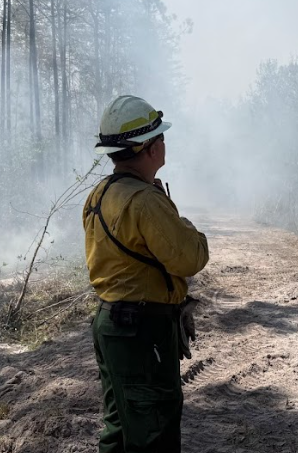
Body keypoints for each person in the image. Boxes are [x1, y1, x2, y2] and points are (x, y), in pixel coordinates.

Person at [83, 95, 209, 453]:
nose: (165, 144)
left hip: (111, 325)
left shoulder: (99, 194)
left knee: (120, 427)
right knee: (154, 429)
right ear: (149, 149)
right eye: (161, 138)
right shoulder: (145, 201)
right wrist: (186, 227)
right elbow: (189, 258)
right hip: (143, 331)